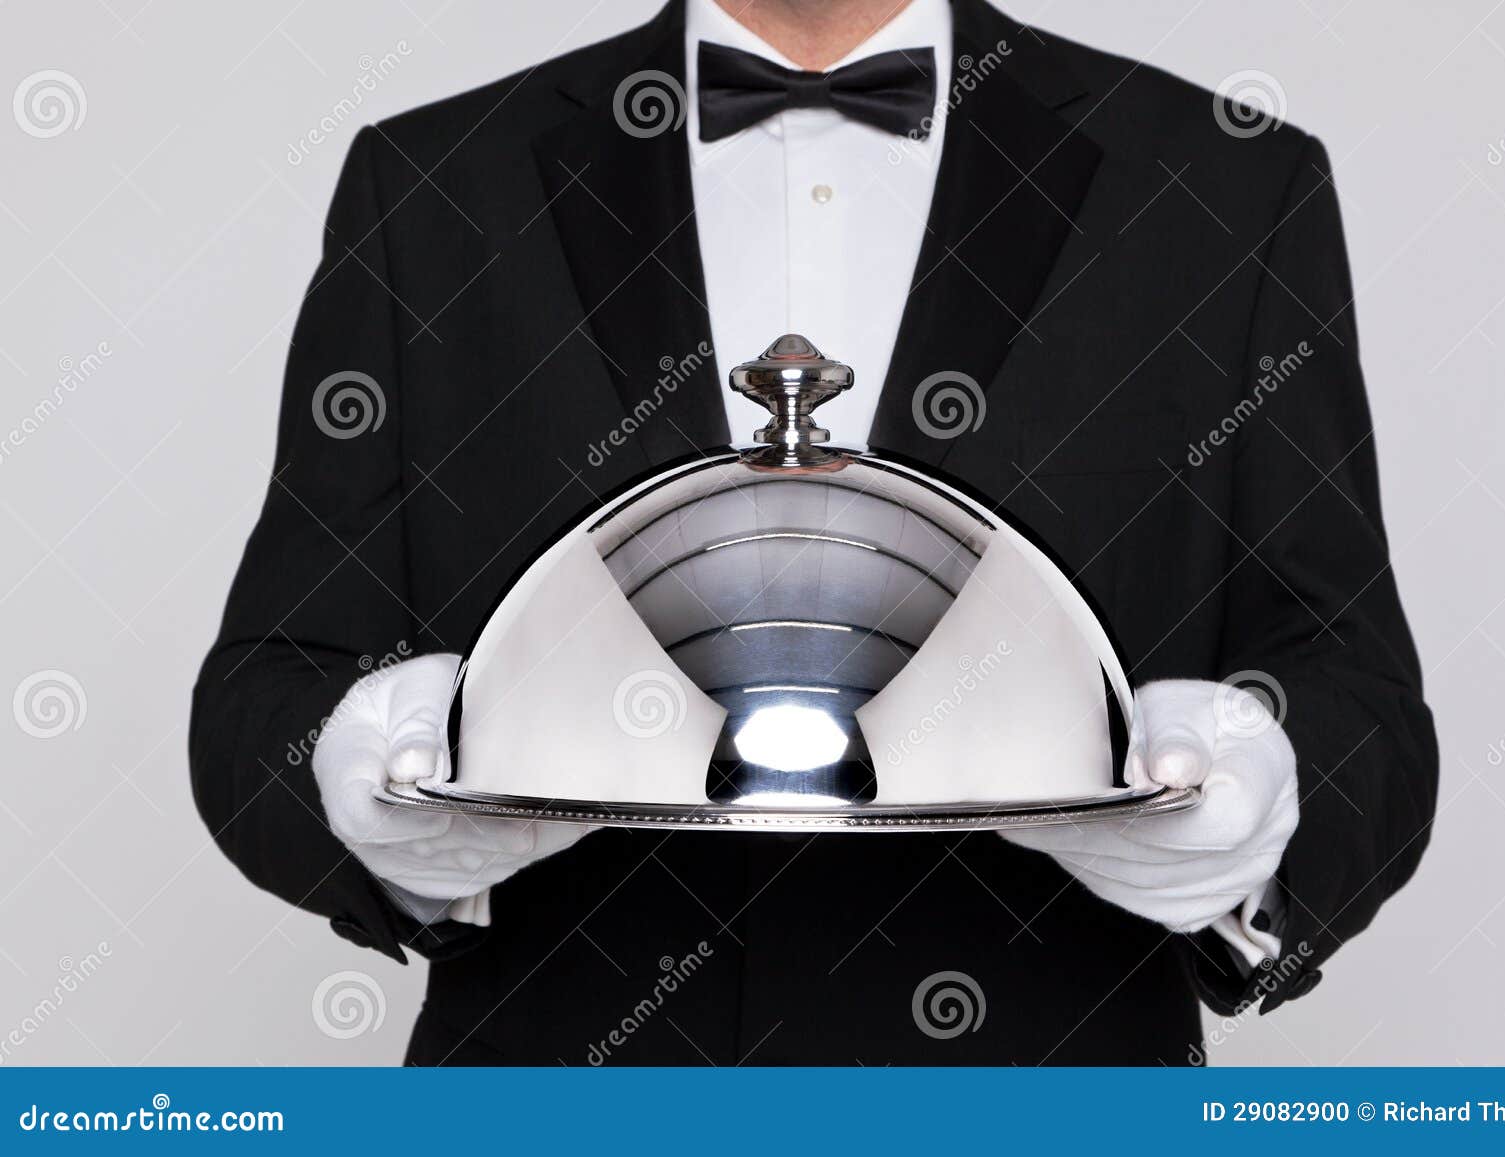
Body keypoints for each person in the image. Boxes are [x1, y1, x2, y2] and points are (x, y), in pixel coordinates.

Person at [190, 0, 1438, 1064]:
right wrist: (377, 783)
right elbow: (265, 690)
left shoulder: (1221, 184)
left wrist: (1257, 794)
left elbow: (1358, 697)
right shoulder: (436, 186)